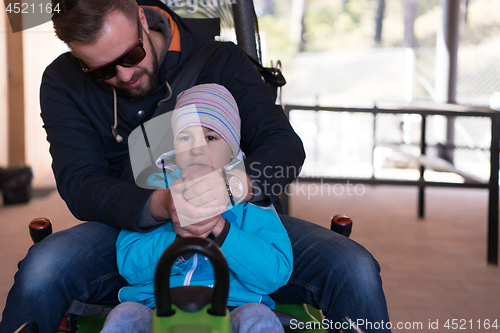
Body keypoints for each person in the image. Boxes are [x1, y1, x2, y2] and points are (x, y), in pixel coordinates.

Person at [0, 0, 391, 332]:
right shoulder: (63, 82)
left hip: (239, 215)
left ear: (140, 17)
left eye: (131, 56)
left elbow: (285, 148)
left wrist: (229, 189)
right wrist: (161, 205)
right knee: (42, 269)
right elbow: (78, 182)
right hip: (131, 226)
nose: (124, 75)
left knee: (353, 268)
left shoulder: (221, 62)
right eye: (102, 70)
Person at [100, 83, 292, 333]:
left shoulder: (251, 203)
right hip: (157, 305)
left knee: (259, 318)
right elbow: (130, 266)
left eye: (211, 137)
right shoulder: (155, 193)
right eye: (185, 137)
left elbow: (275, 273)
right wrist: (180, 240)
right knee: (124, 315)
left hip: (234, 305)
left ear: (233, 147)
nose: (197, 148)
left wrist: (223, 232)